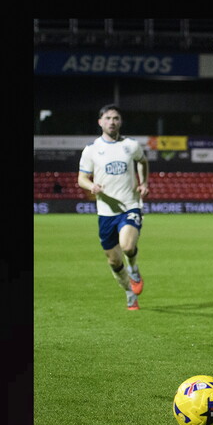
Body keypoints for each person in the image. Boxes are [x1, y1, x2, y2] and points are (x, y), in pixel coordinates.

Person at [77, 104, 149, 310]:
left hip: (130, 206)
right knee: (113, 261)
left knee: (127, 246)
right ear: (100, 122)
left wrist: (144, 183)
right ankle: (129, 292)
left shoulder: (131, 145)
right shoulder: (91, 150)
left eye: (116, 118)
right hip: (106, 212)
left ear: (120, 122)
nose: (112, 122)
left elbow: (143, 162)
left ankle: (134, 269)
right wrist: (92, 186)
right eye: (108, 118)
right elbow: (81, 178)